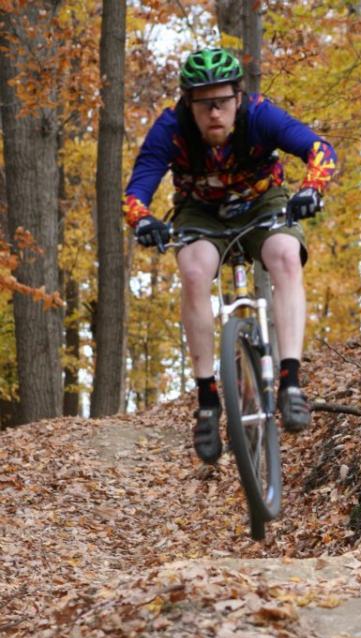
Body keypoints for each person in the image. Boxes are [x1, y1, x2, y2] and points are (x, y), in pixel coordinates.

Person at [123, 47, 337, 463]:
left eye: (222, 101)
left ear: (238, 98)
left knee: (286, 256)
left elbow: (320, 149)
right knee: (194, 270)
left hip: (263, 202)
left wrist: (311, 188)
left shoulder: (260, 115)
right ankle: (207, 401)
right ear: (188, 103)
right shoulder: (170, 128)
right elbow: (136, 191)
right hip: (200, 212)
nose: (214, 113)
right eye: (203, 104)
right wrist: (144, 220)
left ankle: (290, 382)